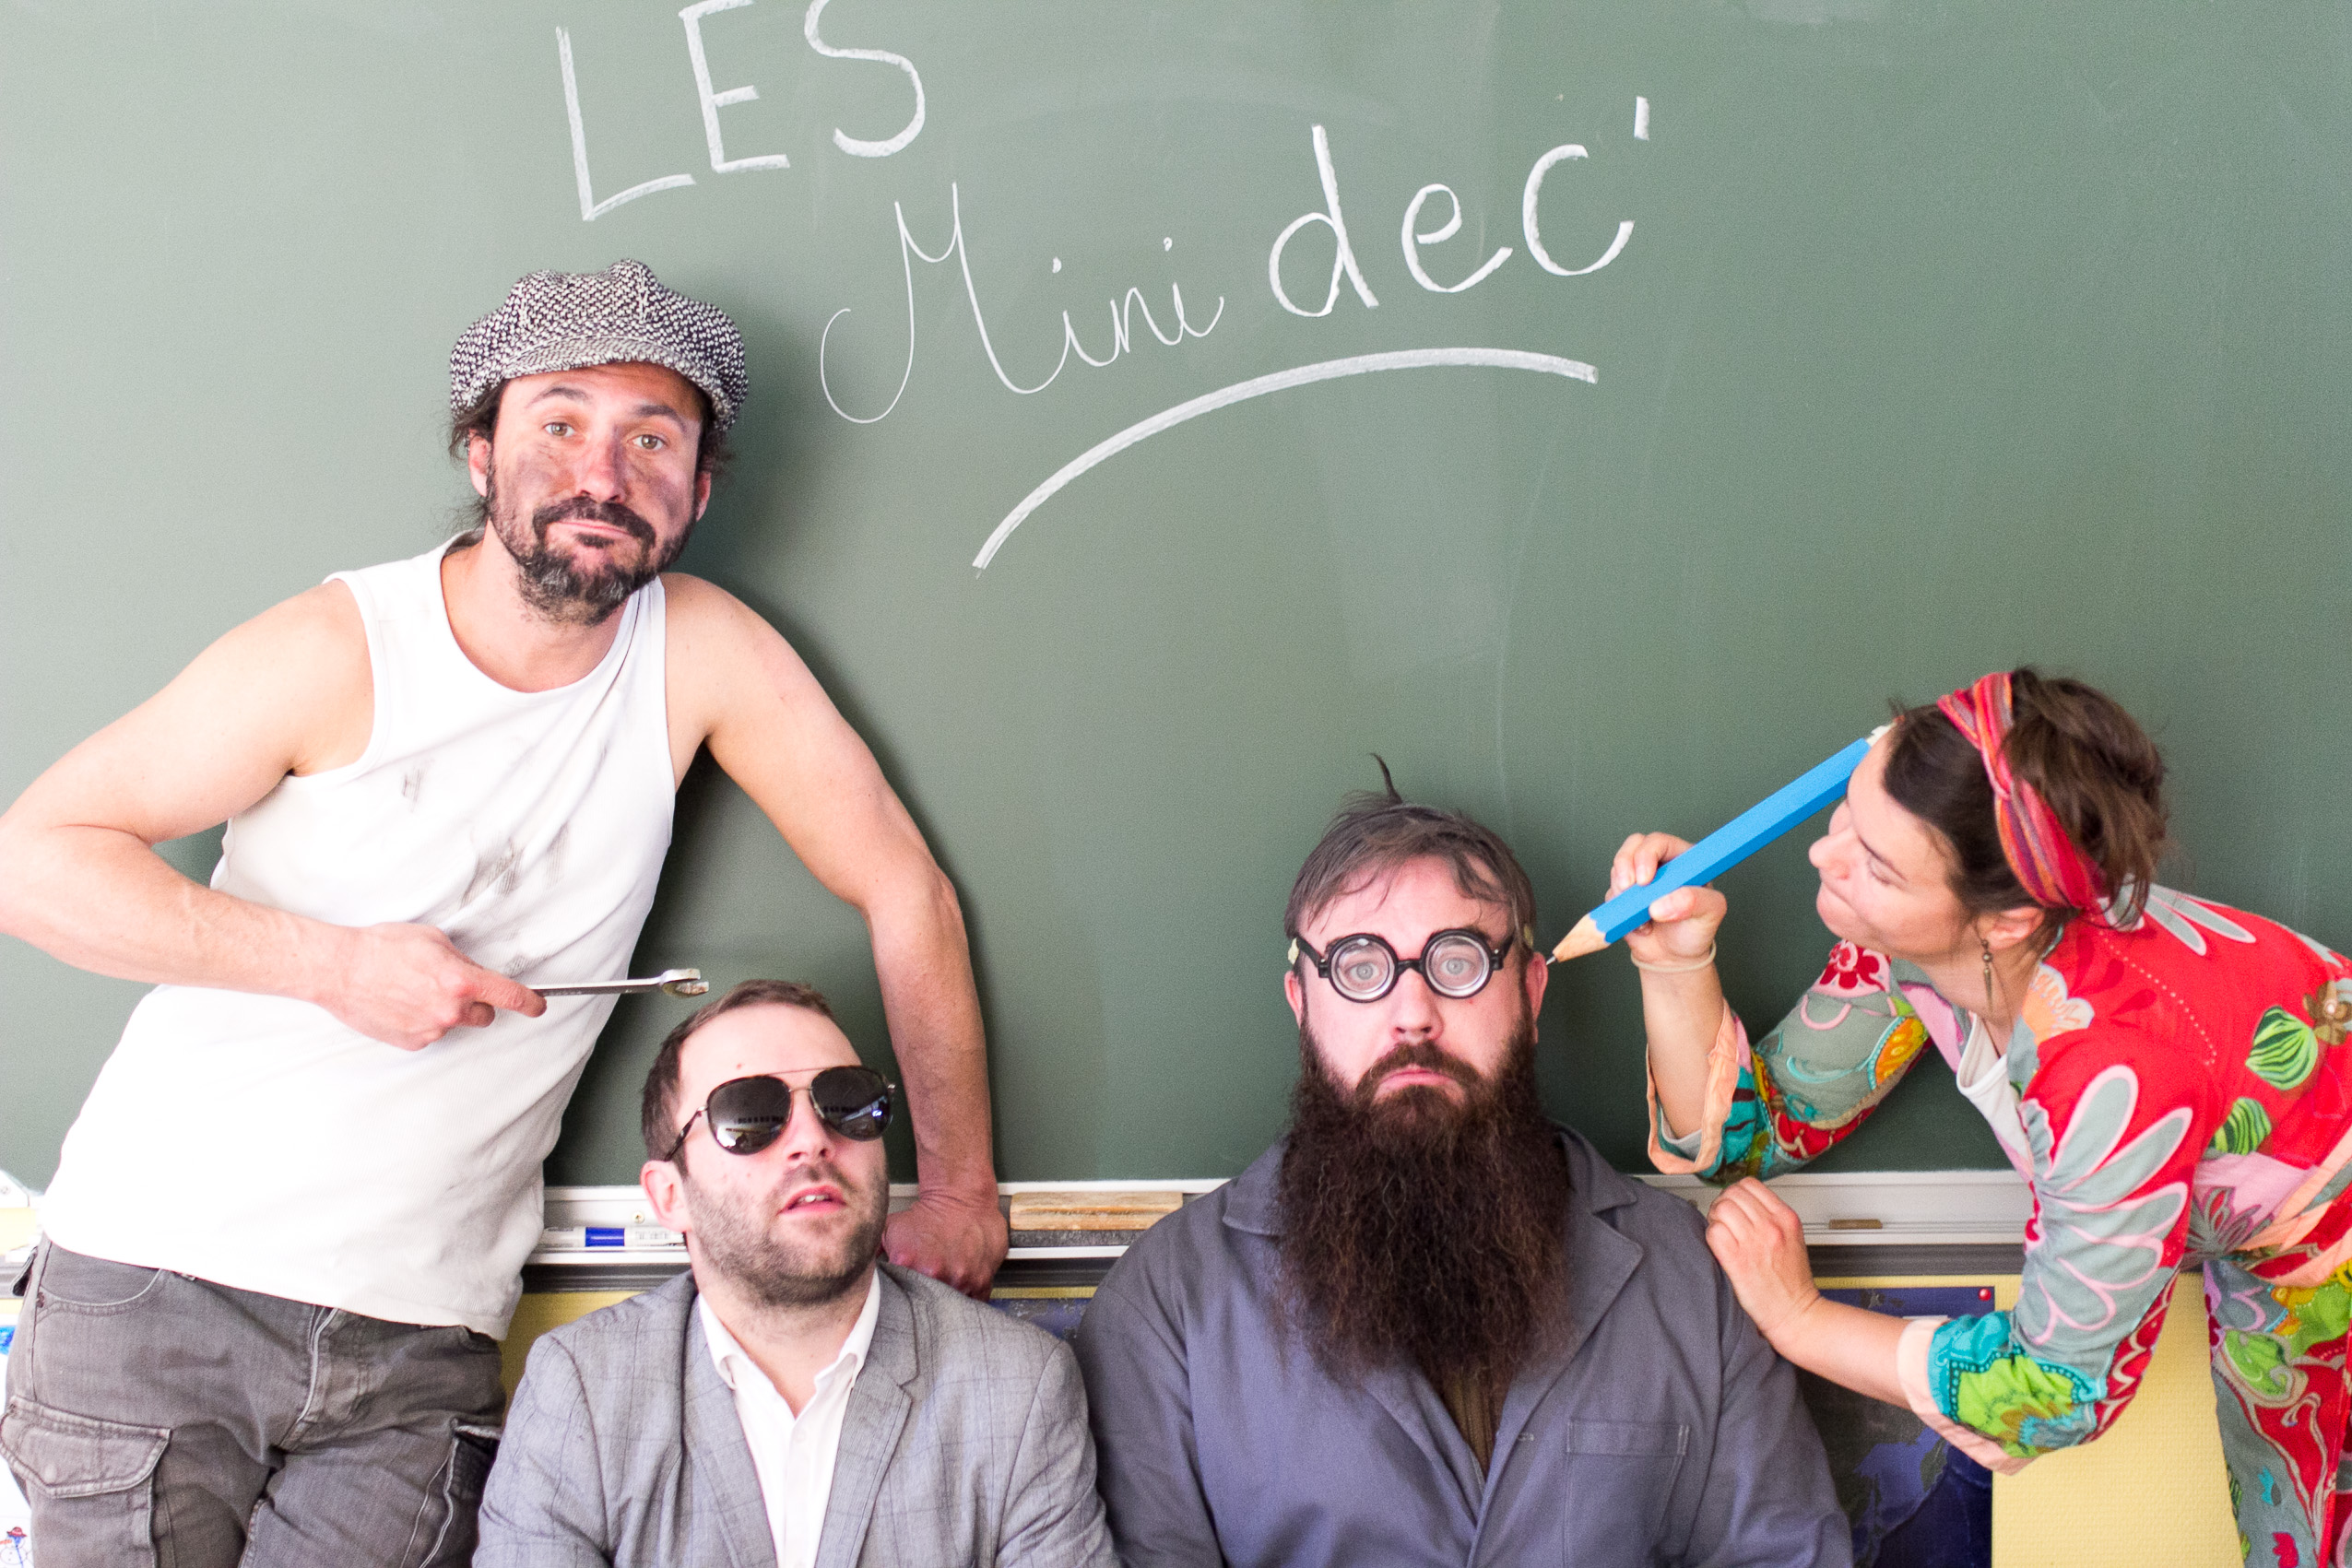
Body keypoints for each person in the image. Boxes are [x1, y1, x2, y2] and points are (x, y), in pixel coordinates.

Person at [0, 260, 1005, 1567]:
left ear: (699, 490)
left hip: (422, 1341)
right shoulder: (338, 647)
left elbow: (903, 887)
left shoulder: (701, 650)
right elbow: (31, 862)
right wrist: (337, 966)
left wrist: (962, 1187)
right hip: (160, 1282)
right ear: (481, 453)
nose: (604, 473)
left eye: (653, 440)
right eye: (560, 424)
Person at [1620, 666, 2352, 1566]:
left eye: (1876, 865)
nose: (1822, 855)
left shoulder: (2111, 1071)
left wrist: (1799, 1319)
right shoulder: (1923, 943)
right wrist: (1673, 963)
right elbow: (1755, 1135)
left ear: (2001, 921)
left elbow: (2055, 1389)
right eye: (1847, 813)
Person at [1073, 783, 1850, 1567]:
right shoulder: (1168, 1303)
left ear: (1531, 993)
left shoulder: (1690, 1277)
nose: (1412, 1011)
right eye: (1359, 965)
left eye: (1458, 961)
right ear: (1300, 1001)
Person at [479, 980, 1112, 1568]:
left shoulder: (1016, 1390)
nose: (812, 1139)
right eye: (750, 1114)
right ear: (669, 1195)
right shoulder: (581, 1392)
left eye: (847, 1102)